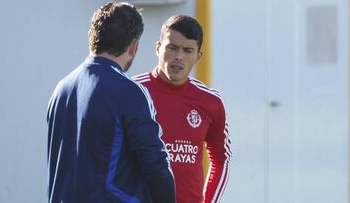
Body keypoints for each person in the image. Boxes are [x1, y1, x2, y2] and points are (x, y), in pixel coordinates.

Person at [47, 2, 175, 203]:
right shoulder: (130, 92)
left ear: (91, 36)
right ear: (133, 46)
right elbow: (156, 168)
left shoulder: (61, 89)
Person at [133, 15, 232, 203]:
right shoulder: (132, 92)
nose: (179, 56)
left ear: (198, 56)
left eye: (187, 50)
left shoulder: (210, 101)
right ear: (158, 48)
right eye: (172, 47)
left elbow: (221, 159)